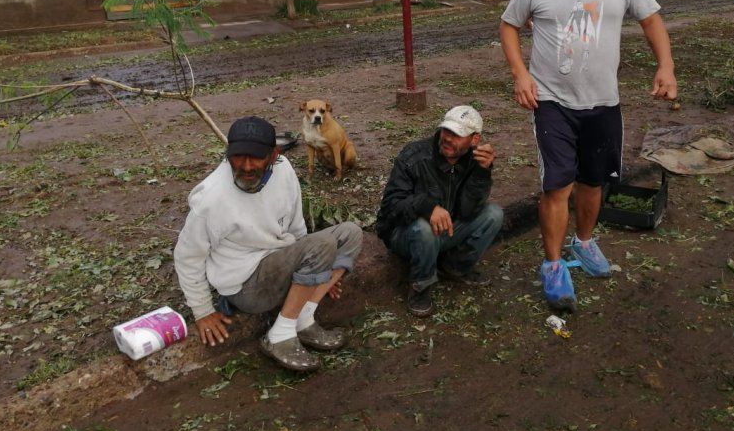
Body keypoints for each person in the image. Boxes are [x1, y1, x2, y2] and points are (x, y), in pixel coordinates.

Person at [499, 0, 677, 312]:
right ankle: (554, 265)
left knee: (593, 182)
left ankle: (583, 244)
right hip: (551, 102)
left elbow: (651, 20)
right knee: (557, 185)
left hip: (603, 103)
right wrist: (520, 75)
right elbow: (509, 26)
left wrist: (665, 66)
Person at [173, 116, 363, 372]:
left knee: (350, 233)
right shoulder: (211, 198)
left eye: (256, 157)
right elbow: (187, 256)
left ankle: (303, 317)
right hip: (247, 287)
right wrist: (202, 311)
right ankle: (279, 336)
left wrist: (318, 272)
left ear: (274, 155)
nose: (246, 166)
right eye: (239, 157)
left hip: (279, 264)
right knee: (321, 246)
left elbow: (297, 227)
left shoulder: (284, 171)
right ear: (228, 155)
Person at [376, 106, 504, 317]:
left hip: (447, 230)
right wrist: (426, 207)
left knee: (493, 214)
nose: (447, 138)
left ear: (474, 140)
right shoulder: (414, 156)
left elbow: (468, 210)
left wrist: (483, 173)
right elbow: (390, 208)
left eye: (457, 135)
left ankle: (455, 267)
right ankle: (420, 286)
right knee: (424, 229)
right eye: (446, 131)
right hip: (406, 234)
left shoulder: (476, 160)